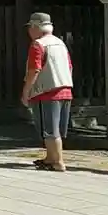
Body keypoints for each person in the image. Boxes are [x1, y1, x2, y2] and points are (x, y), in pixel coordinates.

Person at [20, 12, 73, 172]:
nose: (29, 31)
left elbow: (34, 70)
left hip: (47, 92)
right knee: (56, 130)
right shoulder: (60, 43)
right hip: (65, 89)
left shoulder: (38, 45)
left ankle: (58, 162)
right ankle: (50, 158)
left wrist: (26, 91)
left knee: (49, 130)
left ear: (36, 27)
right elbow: (70, 66)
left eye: (30, 27)